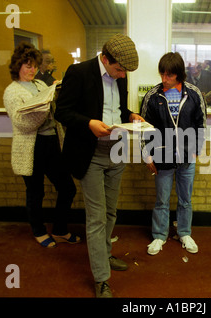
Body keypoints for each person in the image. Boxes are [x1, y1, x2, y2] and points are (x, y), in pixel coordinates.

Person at [54, 33, 143, 298]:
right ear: (105, 59)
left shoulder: (120, 76)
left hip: (116, 150)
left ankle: (104, 255)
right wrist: (89, 123)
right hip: (89, 152)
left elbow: (117, 109)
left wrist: (131, 115)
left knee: (111, 212)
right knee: (96, 217)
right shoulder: (79, 72)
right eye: (119, 69)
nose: (123, 75)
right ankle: (101, 278)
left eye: (126, 71)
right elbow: (62, 112)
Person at [3, 42, 79, 249]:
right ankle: (38, 231)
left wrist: (57, 94)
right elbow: (23, 123)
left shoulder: (40, 85)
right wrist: (44, 109)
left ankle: (60, 229)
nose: (32, 70)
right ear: (17, 66)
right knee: (35, 192)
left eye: (35, 65)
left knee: (67, 188)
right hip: (31, 147)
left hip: (52, 142)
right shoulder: (11, 92)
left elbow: (54, 113)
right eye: (28, 66)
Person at [140, 52, 207, 256]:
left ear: (179, 74)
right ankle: (159, 236)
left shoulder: (194, 94)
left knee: (185, 199)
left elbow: (201, 124)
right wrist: (147, 155)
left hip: (187, 157)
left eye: (169, 75)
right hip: (162, 156)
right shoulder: (153, 96)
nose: (164, 79)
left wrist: (196, 150)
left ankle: (184, 233)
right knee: (161, 200)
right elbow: (144, 128)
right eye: (162, 74)